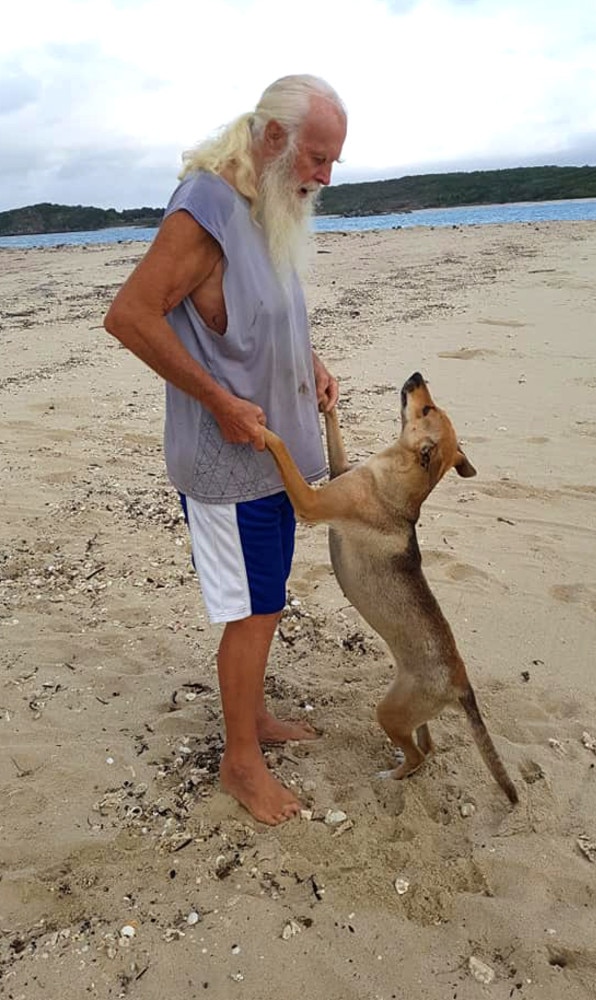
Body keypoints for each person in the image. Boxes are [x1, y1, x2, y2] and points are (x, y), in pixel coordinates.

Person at [104, 75, 347, 826]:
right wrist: (217, 400)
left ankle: (255, 721)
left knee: (266, 602)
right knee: (249, 611)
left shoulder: (266, 202)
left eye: (335, 162)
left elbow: (263, 310)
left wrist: (308, 359)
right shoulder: (208, 205)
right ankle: (240, 762)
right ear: (273, 137)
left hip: (272, 455)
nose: (324, 176)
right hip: (227, 461)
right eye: (316, 156)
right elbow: (130, 315)